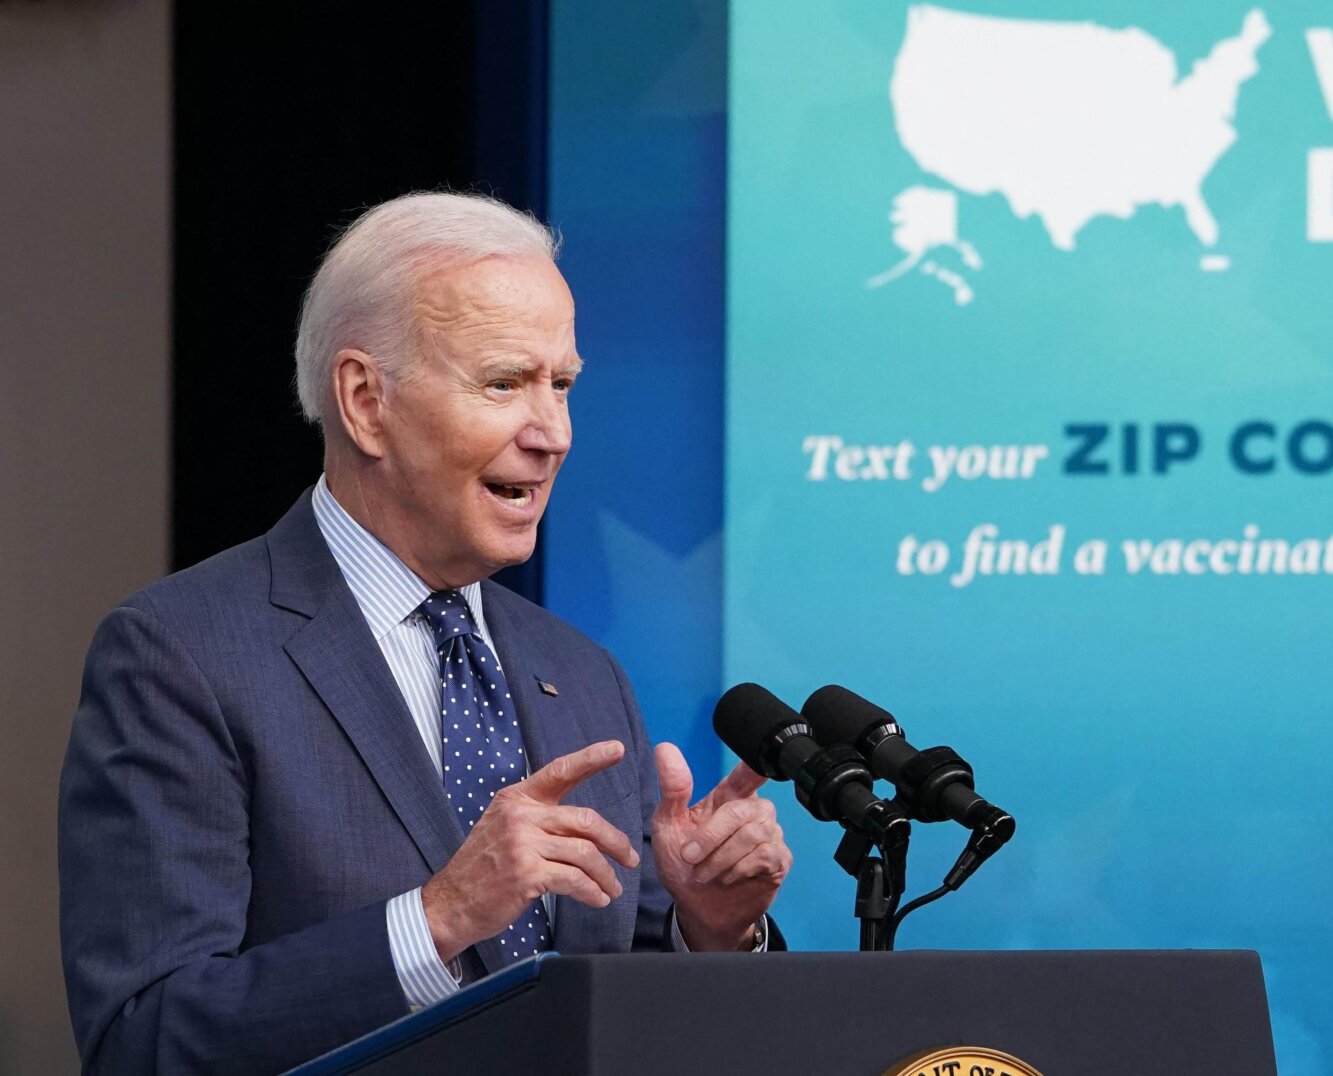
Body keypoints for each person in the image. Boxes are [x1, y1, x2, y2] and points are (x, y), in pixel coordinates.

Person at [58, 192, 793, 1075]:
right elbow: (143, 1043)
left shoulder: (582, 673)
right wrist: (438, 919)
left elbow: (624, 1005)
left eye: (561, 385)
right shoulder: (182, 655)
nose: (552, 433)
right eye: (503, 382)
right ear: (366, 402)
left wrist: (708, 931)